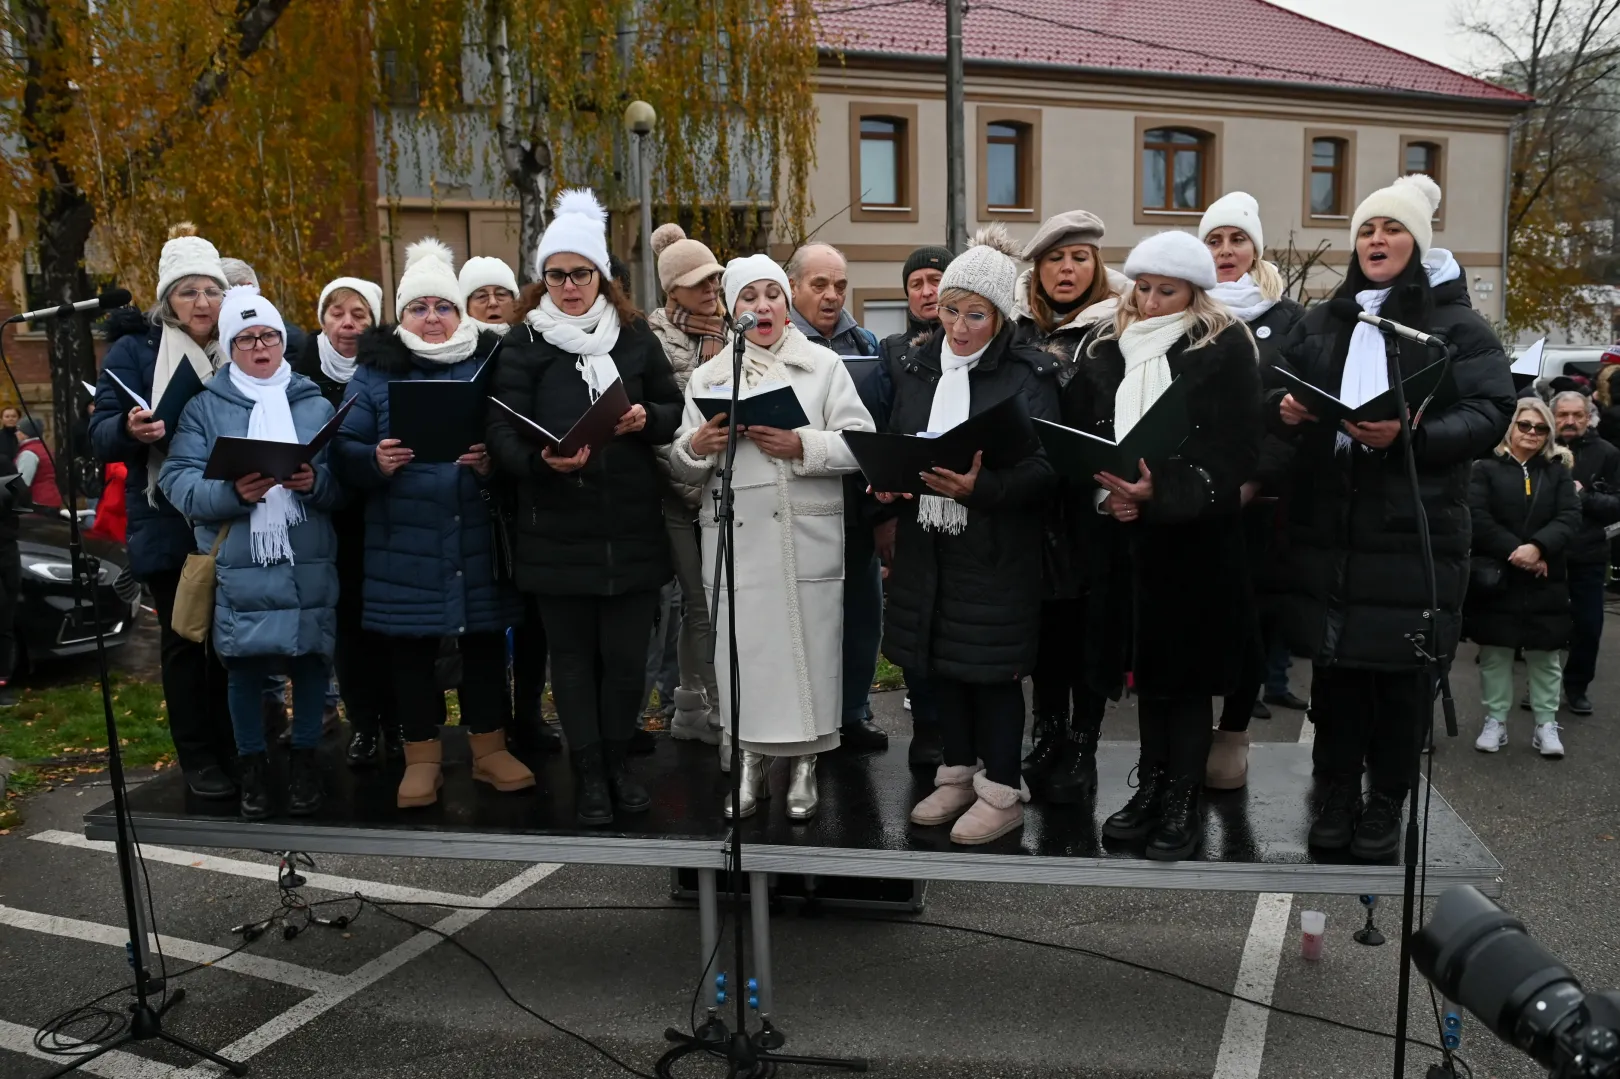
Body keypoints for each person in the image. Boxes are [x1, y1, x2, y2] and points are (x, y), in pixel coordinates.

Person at [1273, 174, 1514, 858]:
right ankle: (1336, 793)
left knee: (1402, 684)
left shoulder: (1455, 327)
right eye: (1368, 230)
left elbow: (1491, 410)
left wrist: (1414, 434)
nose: (1377, 239)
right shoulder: (1326, 318)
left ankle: (1385, 801)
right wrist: (1284, 410)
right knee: (1337, 679)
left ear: (1419, 242)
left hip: (1414, 528)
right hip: (1334, 528)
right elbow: (1278, 385)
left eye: (1393, 228)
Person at [1061, 231, 1261, 860]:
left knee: (1186, 680)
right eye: (1143, 287)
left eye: (1166, 291)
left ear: (1193, 293)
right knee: (1149, 679)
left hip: (1195, 545)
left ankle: (1182, 799)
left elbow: (1237, 452)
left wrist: (1163, 491)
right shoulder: (1105, 346)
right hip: (1123, 543)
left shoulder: (1225, 347)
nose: (1149, 302)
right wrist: (1111, 495)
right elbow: (1082, 437)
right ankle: (1149, 788)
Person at [485, 189, 681, 824]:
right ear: (541, 281)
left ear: (602, 275)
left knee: (625, 663)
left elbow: (673, 409)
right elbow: (501, 430)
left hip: (629, 527)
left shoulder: (634, 336)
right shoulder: (523, 342)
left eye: (580, 273)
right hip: (555, 527)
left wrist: (646, 417)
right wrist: (540, 461)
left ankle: (619, 764)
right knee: (570, 663)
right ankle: (590, 772)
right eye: (556, 275)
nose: (569, 286)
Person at [671, 253, 876, 820]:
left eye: (772, 295)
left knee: (808, 653)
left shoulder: (823, 365)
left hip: (803, 538)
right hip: (736, 541)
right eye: (749, 297)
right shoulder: (709, 377)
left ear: (786, 304)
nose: (762, 306)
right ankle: (749, 764)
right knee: (743, 656)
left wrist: (803, 445)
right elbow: (682, 465)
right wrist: (698, 447)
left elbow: (862, 442)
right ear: (732, 309)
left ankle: (805, 764)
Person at [876, 226, 1059, 845]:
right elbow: (900, 438)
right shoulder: (918, 368)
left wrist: (982, 490)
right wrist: (890, 482)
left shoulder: (1027, 375)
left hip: (995, 552)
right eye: (949, 310)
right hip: (928, 545)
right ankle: (956, 774)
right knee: (940, 666)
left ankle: (1002, 789)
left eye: (975, 315)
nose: (957, 327)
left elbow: (1045, 470)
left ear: (1001, 317)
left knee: (991, 671)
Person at [335, 236, 531, 809]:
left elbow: (514, 433)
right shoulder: (374, 373)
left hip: (475, 532)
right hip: (404, 539)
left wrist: (492, 463)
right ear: (402, 316)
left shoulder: (489, 362)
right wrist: (374, 461)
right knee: (412, 651)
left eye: (443, 306)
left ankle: (490, 750)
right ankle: (421, 758)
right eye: (419, 307)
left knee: (485, 646)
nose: (433, 318)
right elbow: (342, 446)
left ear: (459, 312)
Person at [159, 287, 341, 819]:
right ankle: (253, 769)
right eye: (245, 339)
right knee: (244, 667)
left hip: (306, 555)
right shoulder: (204, 407)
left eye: (268, 336)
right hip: (243, 558)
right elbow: (176, 481)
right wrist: (232, 494)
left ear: (282, 341)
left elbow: (343, 487)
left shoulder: (314, 403)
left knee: (311, 661)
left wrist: (315, 483)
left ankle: (305, 763)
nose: (259, 347)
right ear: (229, 346)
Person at [91, 222, 236, 798]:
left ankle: (240, 747)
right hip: (168, 518)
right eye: (187, 291)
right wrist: (130, 429)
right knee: (186, 641)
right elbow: (97, 433)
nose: (202, 302)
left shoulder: (242, 341)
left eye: (212, 290)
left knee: (234, 641)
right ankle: (198, 757)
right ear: (166, 300)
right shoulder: (136, 351)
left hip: (235, 513)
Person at [1196, 191, 1309, 790]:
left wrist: (1254, 478)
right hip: (1192, 495)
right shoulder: (1187, 311)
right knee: (1193, 617)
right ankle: (1189, 731)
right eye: (1214, 240)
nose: (1225, 250)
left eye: (1236, 239)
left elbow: (1295, 412)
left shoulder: (1288, 321)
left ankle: (1234, 730)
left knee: (1251, 618)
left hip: (1259, 503)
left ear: (1256, 249)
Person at [1010, 209, 1120, 804]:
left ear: (1096, 267)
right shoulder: (1018, 333)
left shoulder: (1117, 330)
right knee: (1046, 631)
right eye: (1055, 259)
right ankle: (1047, 733)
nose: (1067, 269)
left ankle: (1083, 744)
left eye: (1079, 258)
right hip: (1035, 505)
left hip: (1091, 507)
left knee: (1089, 632)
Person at [289, 275, 407, 767]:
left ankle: (398, 724)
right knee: (348, 629)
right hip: (325, 518)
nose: (347, 324)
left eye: (359, 314)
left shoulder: (391, 366)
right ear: (322, 320)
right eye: (337, 313)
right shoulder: (300, 373)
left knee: (390, 626)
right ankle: (363, 725)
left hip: (383, 512)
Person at [785, 242, 888, 753]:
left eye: (840, 285)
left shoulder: (865, 342)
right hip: (800, 505)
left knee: (862, 616)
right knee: (806, 621)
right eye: (820, 284)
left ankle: (853, 711)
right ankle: (806, 717)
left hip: (857, 505)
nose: (832, 295)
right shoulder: (777, 340)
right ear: (793, 288)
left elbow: (880, 423)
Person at [872, 245, 954, 769]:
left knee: (959, 621)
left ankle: (964, 731)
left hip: (967, 507)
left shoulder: (977, 348)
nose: (927, 292)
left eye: (936, 280)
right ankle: (927, 726)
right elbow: (880, 430)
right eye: (916, 283)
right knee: (915, 621)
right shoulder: (893, 353)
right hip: (909, 512)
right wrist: (883, 517)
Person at [645, 222, 726, 745]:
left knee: (719, 602)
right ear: (673, 289)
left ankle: (693, 703)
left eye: (715, 278)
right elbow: (656, 419)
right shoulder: (653, 339)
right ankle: (710, 710)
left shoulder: (732, 333)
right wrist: (682, 472)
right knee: (699, 604)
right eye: (700, 282)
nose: (712, 288)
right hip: (676, 492)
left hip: (725, 485)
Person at [1466, 397, 1580, 759]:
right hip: (1499, 578)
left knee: (1546, 656)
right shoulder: (1484, 469)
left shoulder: (1558, 472)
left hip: (1546, 579)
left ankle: (1546, 724)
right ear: (1510, 427)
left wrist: (1539, 547)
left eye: (1541, 427)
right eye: (1525, 425)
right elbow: (1477, 516)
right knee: (1495, 653)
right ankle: (1495, 721)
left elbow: (1569, 517)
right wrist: (1519, 552)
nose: (1532, 432)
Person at [1551, 390, 1620, 715]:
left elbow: (1616, 505)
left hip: (1589, 553)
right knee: (1545, 625)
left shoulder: (1608, 453)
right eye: (1563, 415)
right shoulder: (1540, 447)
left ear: (1588, 417)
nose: (1570, 421)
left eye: (1577, 415)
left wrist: (1585, 496)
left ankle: (1576, 687)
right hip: (1547, 552)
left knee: (1589, 626)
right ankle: (1542, 685)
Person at [461, 256, 519, 335]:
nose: (493, 302)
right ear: (466, 307)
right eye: (481, 296)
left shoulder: (533, 337)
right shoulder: (455, 342)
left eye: (501, 294)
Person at [14, 418, 60, 509]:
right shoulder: (43, 448)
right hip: (51, 497)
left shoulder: (28, 453)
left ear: (25, 434)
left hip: (38, 501)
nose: (16, 433)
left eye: (18, 430)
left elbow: (22, 483)